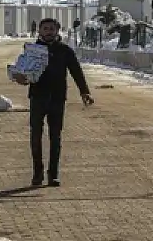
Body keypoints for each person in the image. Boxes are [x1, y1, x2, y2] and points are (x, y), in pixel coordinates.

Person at [13, 18, 94, 187]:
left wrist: (84, 91)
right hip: (37, 97)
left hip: (57, 99)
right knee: (36, 136)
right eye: (45, 28)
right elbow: (22, 71)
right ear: (39, 31)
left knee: (55, 137)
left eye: (52, 29)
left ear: (57, 31)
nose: (49, 31)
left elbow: (76, 72)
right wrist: (19, 78)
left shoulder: (65, 51)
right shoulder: (32, 50)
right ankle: (37, 173)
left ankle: (53, 174)